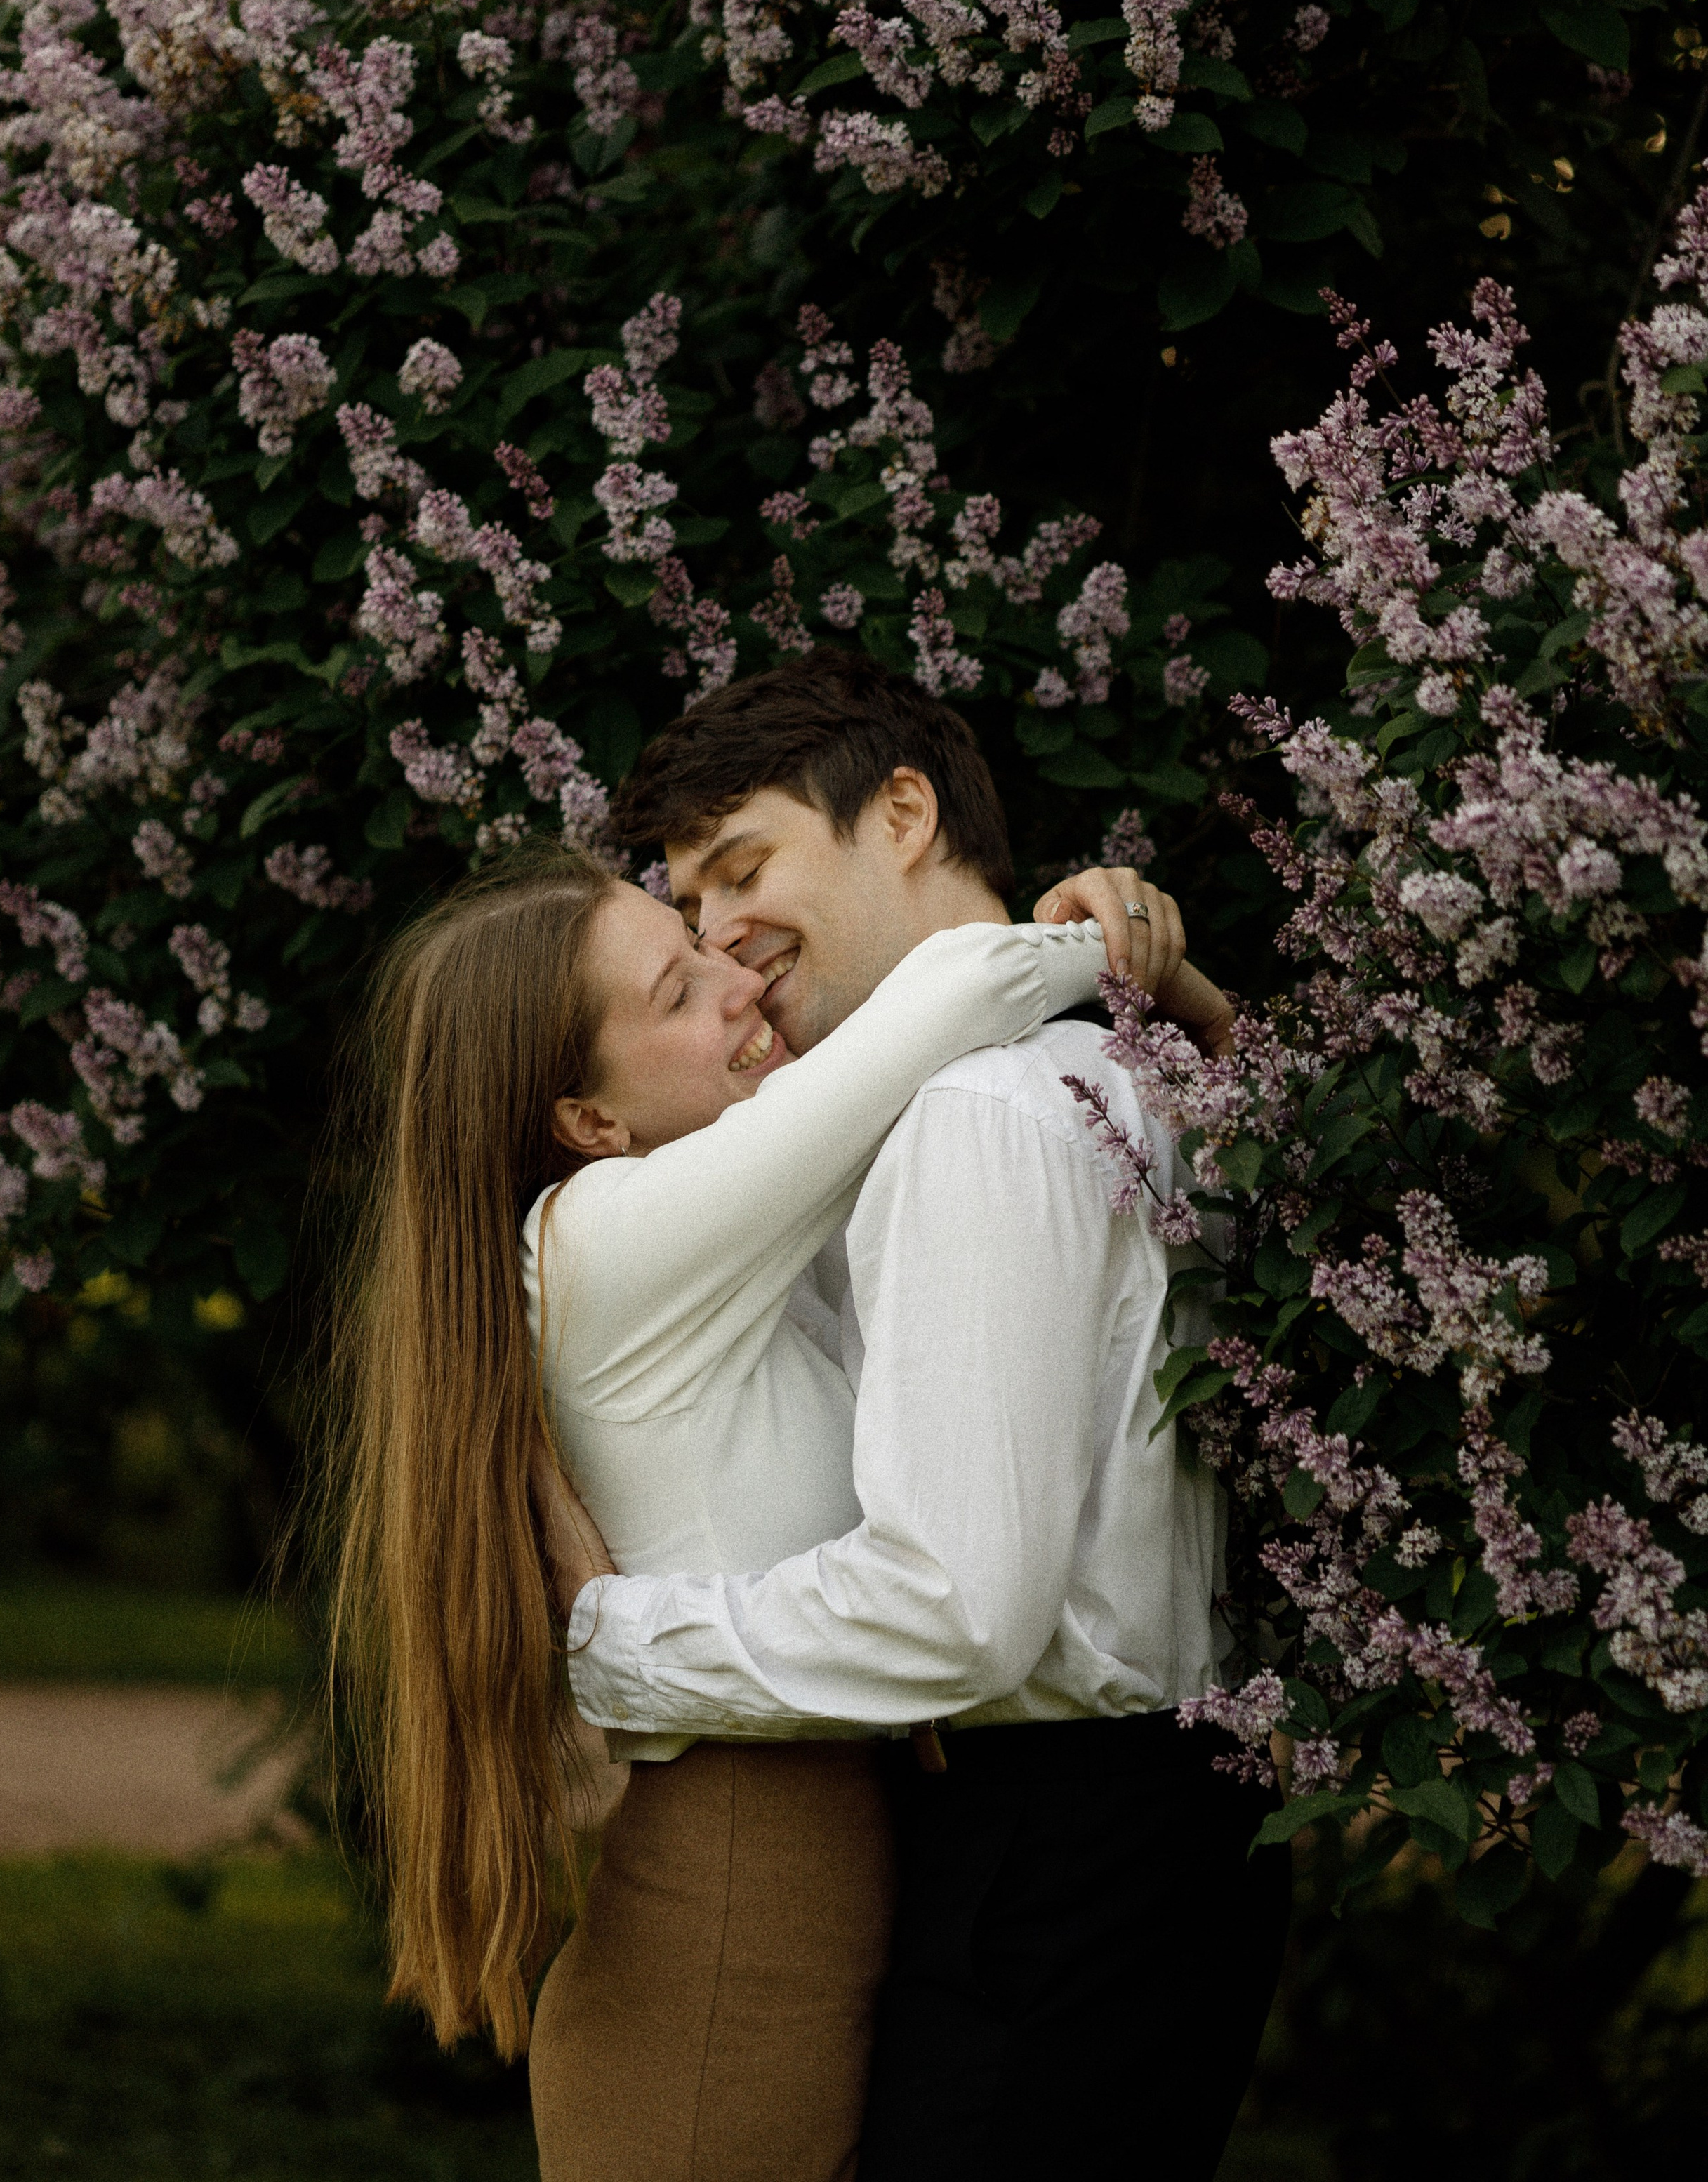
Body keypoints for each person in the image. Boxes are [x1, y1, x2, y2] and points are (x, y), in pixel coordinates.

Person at [323, 819, 1189, 2178]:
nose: (738, 977)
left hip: (797, 1867)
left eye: (700, 944)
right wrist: (1124, 940)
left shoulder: (711, 1263)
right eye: (676, 989)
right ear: (585, 1121)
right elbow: (956, 993)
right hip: (736, 1892)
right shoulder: (610, 1231)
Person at [548, 646, 1292, 2182]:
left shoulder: (973, 1117)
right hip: (1149, 1832)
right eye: (687, 913)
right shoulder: (1102, 1069)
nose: (728, 946)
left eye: (742, 867)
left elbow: (952, 1614)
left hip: (1052, 1853)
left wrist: (618, 1643)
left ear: (899, 812)